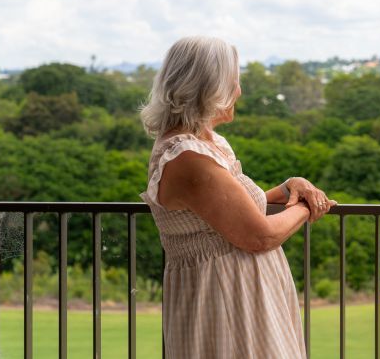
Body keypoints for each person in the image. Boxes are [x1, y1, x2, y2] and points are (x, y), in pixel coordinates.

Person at [139, 36, 334, 358]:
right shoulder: (187, 156)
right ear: (210, 87)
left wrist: (289, 187)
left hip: (242, 291)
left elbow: (228, 209)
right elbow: (259, 235)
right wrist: (305, 207)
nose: (239, 91)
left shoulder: (206, 144)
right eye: (234, 81)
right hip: (224, 298)